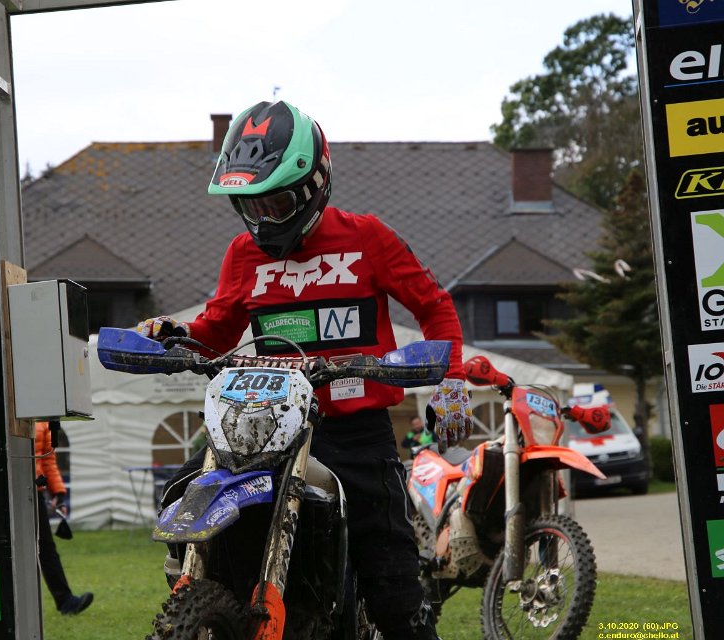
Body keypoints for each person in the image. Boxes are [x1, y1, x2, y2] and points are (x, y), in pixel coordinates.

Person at [136, 101, 473, 640]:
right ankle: (208, 598)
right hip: (265, 427)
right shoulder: (242, 254)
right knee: (182, 490)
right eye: (251, 205)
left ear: (315, 185)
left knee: (392, 590)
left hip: (352, 433)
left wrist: (451, 380)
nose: (263, 219)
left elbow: (435, 307)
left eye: (276, 202)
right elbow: (216, 329)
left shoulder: (368, 238)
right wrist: (175, 334)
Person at [34, 421, 93, 615]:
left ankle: (66, 601)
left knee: (46, 547)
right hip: (6, 491)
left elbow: (48, 460)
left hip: (33, 492)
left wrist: (58, 493)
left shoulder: (44, 421)